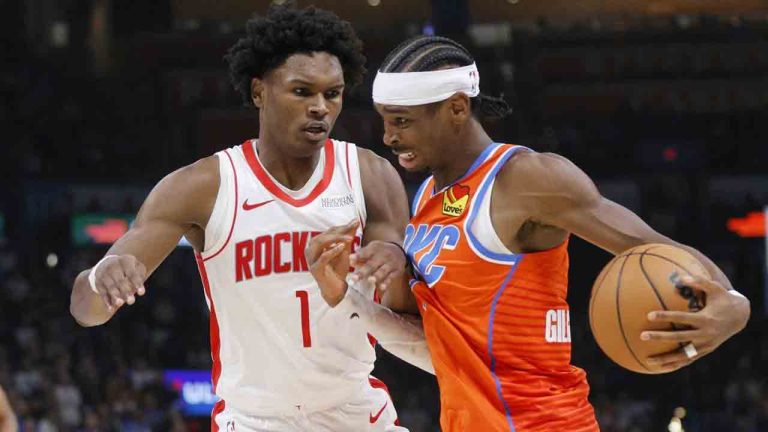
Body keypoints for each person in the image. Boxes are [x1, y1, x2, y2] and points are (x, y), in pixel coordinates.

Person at [307, 35, 751, 431]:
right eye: (386, 119)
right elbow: (439, 326)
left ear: (457, 108)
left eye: (402, 121)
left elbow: (653, 248)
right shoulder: (426, 197)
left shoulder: (527, 179)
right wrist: (358, 283)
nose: (388, 136)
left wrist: (733, 303)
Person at [69, 5, 429, 431]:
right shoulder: (203, 186)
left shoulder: (370, 175)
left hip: (355, 413)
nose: (320, 108)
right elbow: (85, 310)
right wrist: (102, 278)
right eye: (301, 91)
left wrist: (395, 262)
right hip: (255, 420)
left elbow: (405, 308)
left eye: (332, 94)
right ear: (259, 92)